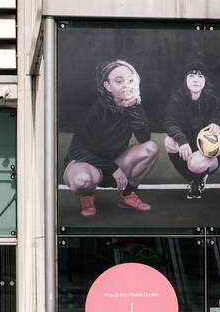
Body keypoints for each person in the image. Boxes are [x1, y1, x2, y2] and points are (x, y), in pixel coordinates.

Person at [63, 59, 159, 217]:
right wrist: (111, 168)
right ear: (108, 86)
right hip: (87, 164)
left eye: (130, 80)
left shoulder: (133, 105)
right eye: (119, 81)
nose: (126, 85)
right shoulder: (96, 110)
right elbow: (76, 151)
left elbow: (144, 137)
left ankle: (127, 196)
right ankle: (86, 196)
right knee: (81, 180)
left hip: (116, 164)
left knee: (151, 148)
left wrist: (134, 108)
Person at [163, 58, 220, 200]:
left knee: (195, 164)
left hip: (207, 153)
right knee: (168, 141)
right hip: (187, 146)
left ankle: (199, 177)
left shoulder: (213, 101)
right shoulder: (177, 99)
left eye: (200, 76)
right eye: (192, 75)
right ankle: (193, 179)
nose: (196, 80)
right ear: (185, 79)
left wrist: (217, 123)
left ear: (205, 80)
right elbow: (170, 123)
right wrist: (181, 140)